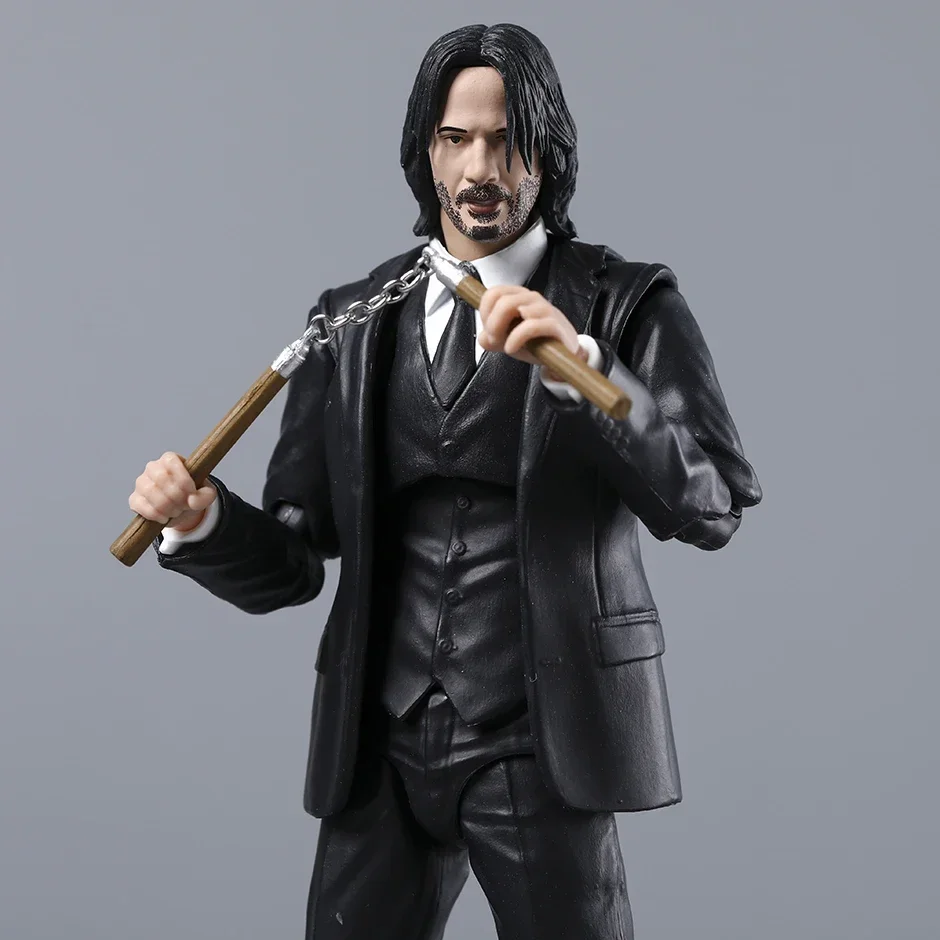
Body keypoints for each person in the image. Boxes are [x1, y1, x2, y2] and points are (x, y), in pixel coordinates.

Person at [128, 22, 761, 940]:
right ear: (424, 151)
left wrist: (591, 374)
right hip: (379, 739)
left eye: (507, 141)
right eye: (455, 139)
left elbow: (711, 505)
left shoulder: (624, 304)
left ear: (547, 152)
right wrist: (203, 525)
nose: (479, 170)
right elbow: (297, 562)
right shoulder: (353, 321)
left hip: (542, 736)